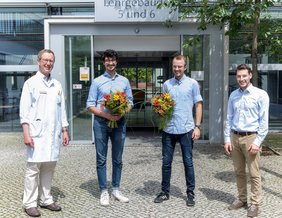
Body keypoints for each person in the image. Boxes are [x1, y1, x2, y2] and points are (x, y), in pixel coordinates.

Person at [19, 49, 69, 217]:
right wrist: (26, 133)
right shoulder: (30, 83)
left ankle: (46, 199)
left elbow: (61, 109)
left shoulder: (57, 84)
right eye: (45, 60)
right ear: (39, 61)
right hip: (36, 134)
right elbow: (24, 112)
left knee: (49, 167)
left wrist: (64, 129)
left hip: (53, 134)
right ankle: (30, 203)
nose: (48, 63)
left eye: (51, 61)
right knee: (33, 169)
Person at [154, 54, 203, 207]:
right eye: (175, 66)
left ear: (185, 67)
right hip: (169, 129)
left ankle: (190, 193)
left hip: (186, 129)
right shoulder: (167, 84)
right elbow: (163, 104)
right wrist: (160, 110)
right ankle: (165, 192)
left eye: (179, 66)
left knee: (188, 162)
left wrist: (198, 126)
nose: (177, 69)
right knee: (166, 162)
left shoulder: (193, 84)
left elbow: (198, 104)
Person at [86, 49, 133, 206]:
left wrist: (121, 112)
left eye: (112, 60)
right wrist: (107, 116)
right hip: (100, 123)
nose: (110, 63)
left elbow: (130, 102)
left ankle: (116, 189)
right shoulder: (97, 81)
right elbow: (89, 105)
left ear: (116, 61)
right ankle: (103, 191)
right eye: (107, 60)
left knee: (118, 158)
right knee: (101, 158)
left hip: (119, 123)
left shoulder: (124, 81)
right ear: (103, 62)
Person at [224, 64, 269, 218]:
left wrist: (257, 143)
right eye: (238, 76)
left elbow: (264, 123)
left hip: (251, 138)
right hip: (235, 137)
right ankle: (242, 199)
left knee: (254, 173)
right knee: (238, 172)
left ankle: (255, 203)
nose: (241, 79)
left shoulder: (260, 95)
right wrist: (227, 140)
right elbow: (229, 118)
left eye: (244, 76)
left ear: (250, 75)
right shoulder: (233, 95)